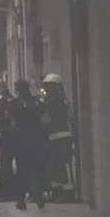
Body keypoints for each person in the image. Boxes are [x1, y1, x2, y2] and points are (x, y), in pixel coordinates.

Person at [10, 80, 47, 210]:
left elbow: (12, 122)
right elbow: (45, 121)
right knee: (36, 169)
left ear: (18, 89)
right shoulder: (37, 102)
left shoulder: (15, 103)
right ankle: (38, 195)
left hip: (21, 142)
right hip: (37, 141)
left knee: (22, 171)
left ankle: (21, 200)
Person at [41, 73, 75, 203]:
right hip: (56, 138)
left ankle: (67, 193)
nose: (48, 89)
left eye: (50, 86)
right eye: (47, 86)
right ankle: (58, 192)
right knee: (55, 166)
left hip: (60, 138)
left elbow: (46, 120)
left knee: (61, 165)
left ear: (56, 86)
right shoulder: (61, 99)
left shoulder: (54, 101)